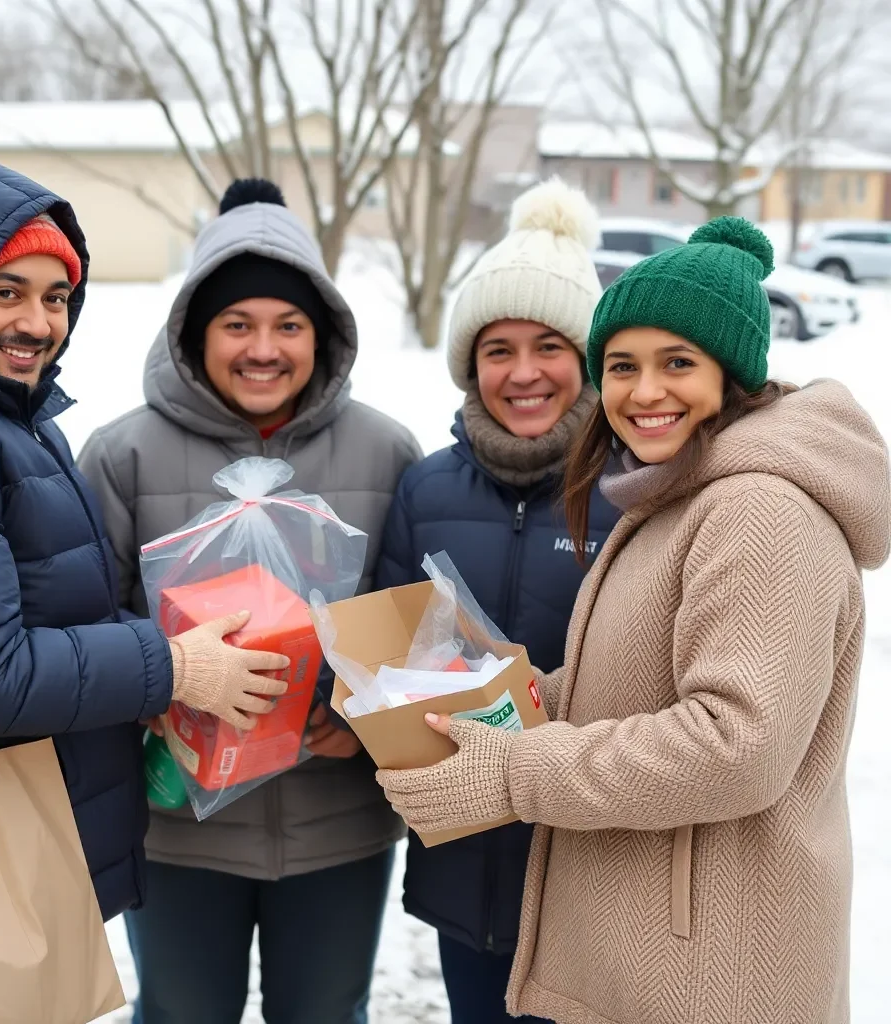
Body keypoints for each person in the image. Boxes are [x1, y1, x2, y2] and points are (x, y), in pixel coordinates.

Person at [376, 217, 890, 1024]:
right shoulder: (681, 495)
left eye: (677, 363)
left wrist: (515, 770)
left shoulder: (760, 510)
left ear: (733, 373)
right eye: (622, 366)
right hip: (666, 951)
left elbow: (735, 744)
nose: (644, 392)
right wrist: (517, 695)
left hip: (719, 972)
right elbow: (644, 684)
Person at [0, 147, 288, 923]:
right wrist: (170, 668)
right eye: (6, 293)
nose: (38, 323)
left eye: (58, 296)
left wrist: (179, 657)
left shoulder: (2, 409)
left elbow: (50, 614)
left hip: (8, 837)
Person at [78, 177, 421, 1024]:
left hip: (337, 830)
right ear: (197, 332)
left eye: (289, 325)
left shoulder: (385, 452)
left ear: (324, 334)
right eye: (238, 324)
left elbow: (418, 631)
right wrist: (165, 682)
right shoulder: (124, 454)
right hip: (179, 832)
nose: (263, 349)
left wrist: (363, 722)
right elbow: (82, 623)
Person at [374, 177, 618, 1024]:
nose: (522, 373)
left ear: (587, 357)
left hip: (589, 879)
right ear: (469, 362)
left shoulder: (632, 493)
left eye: (549, 345)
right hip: (462, 867)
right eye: (497, 348)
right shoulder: (425, 486)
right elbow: (390, 653)